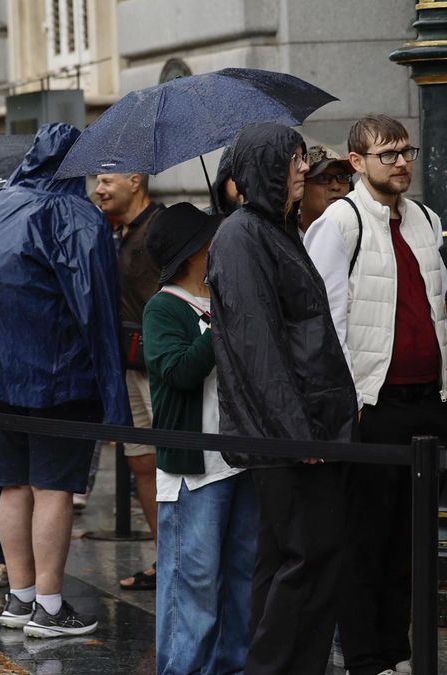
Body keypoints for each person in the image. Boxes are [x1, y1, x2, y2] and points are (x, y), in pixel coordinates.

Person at [0, 123, 130, 638]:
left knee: (12, 484)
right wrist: (111, 392)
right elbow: (96, 307)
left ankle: (20, 598)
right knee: (54, 488)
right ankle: (49, 605)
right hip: (59, 378)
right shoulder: (75, 214)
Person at [205, 122, 357, 675]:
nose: (303, 169)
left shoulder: (275, 229)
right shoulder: (242, 235)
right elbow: (258, 347)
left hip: (308, 426)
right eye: (293, 159)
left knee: (293, 560)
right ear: (265, 168)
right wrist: (297, 434)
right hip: (290, 434)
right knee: (306, 559)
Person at [304, 114, 447, 675]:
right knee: (367, 537)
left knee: (411, 539)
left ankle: (398, 651)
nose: (402, 163)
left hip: (426, 402)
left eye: (406, 151)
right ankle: (367, 658)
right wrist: (347, 402)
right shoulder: (340, 222)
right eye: (388, 155)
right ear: (357, 162)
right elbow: (325, 319)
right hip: (372, 404)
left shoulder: (426, 219)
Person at [144, 203, 257, 675]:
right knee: (193, 583)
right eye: (212, 239)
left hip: (240, 461)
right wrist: (220, 325)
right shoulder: (163, 307)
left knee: (242, 579)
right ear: (195, 252)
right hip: (195, 471)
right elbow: (179, 372)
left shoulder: (223, 297)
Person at [95, 171, 164, 591]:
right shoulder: (115, 233)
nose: (98, 190)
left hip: (159, 366)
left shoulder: (161, 227)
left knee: (171, 463)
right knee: (141, 463)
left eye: (106, 181)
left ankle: (185, 558)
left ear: (135, 181)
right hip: (128, 365)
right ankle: (164, 557)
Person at [299, 145, 354, 232]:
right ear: (300, 189)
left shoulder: (364, 234)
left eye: (342, 177)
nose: (336, 187)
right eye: (323, 178)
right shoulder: (280, 236)